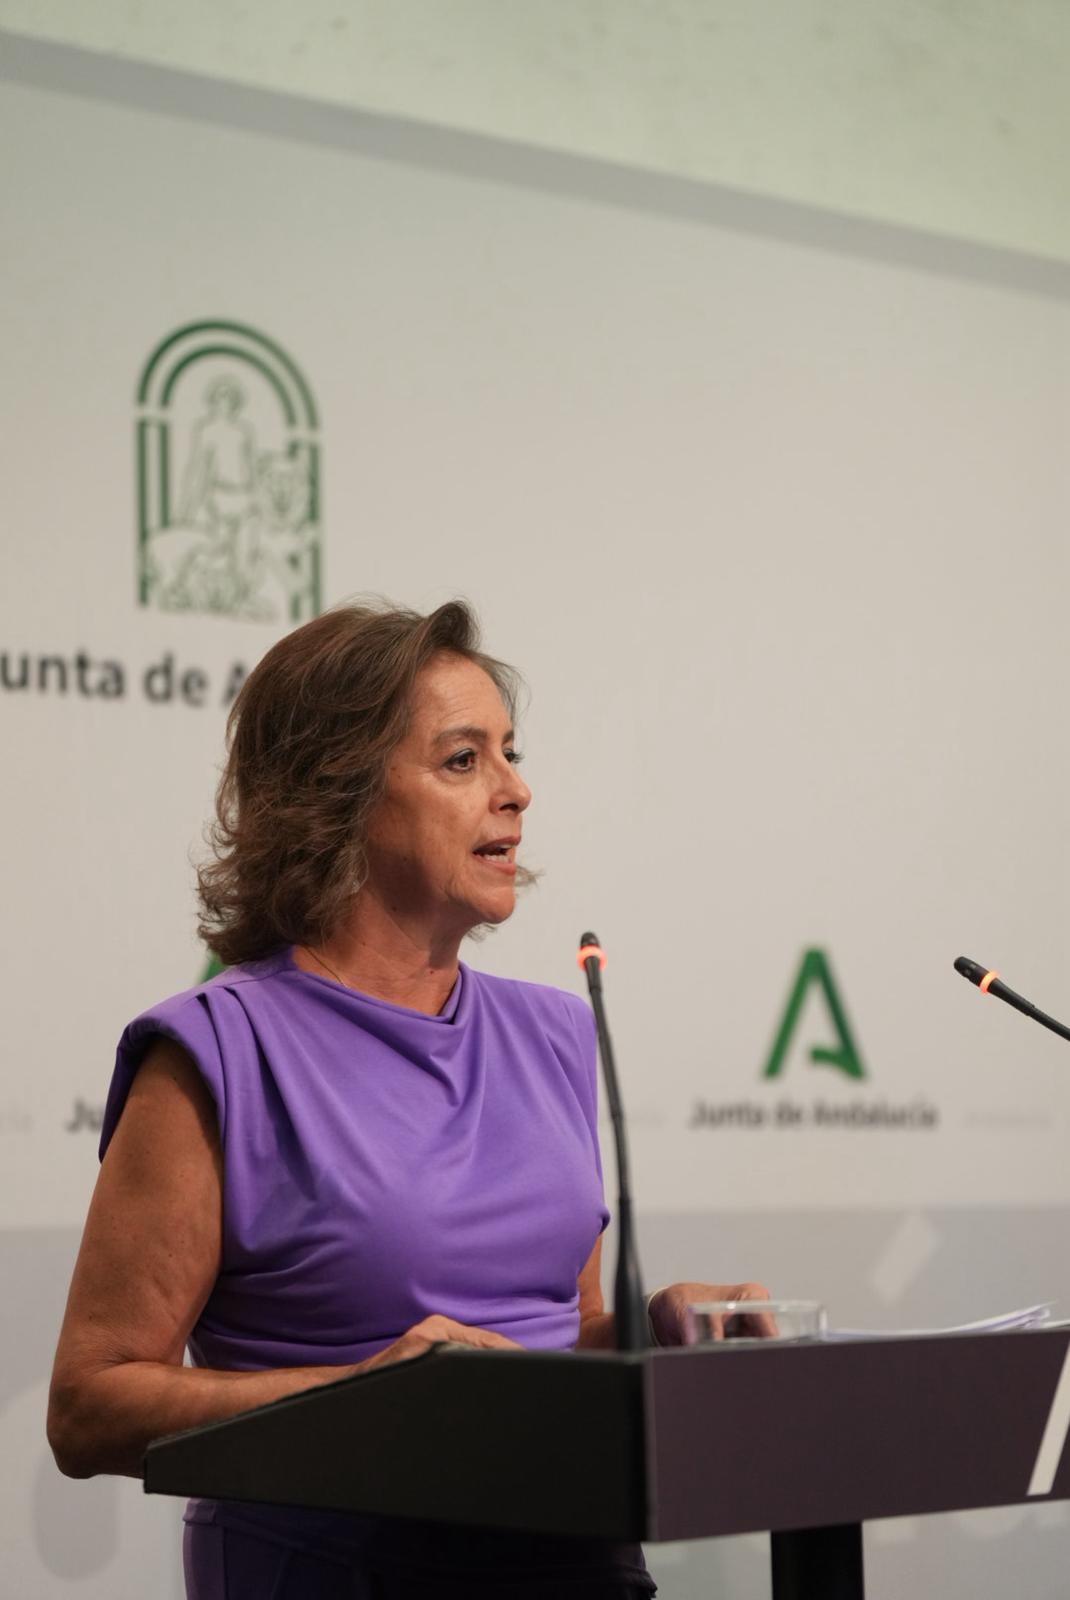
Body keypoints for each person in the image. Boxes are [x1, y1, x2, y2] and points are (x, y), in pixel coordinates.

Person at [47, 599, 771, 1598]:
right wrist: (360, 1397)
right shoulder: (218, 1050)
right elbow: (88, 1407)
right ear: (339, 792)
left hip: (574, 1565)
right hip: (329, 1569)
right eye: (463, 759)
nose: (517, 791)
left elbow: (561, 1333)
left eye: (509, 754)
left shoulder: (553, 1033)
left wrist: (658, 1326)